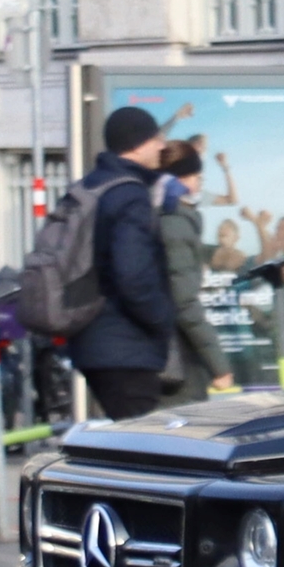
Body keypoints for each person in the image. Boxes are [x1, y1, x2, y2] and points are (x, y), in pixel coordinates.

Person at [69, 106, 179, 421]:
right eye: (155, 138)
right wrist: (162, 320)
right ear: (137, 143)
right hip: (125, 345)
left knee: (134, 444)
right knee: (149, 452)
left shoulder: (93, 185)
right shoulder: (130, 194)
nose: (161, 145)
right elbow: (133, 275)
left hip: (96, 339)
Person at [152, 141, 237, 407]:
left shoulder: (156, 215)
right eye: (197, 177)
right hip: (176, 361)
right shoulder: (173, 224)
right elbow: (184, 303)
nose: (200, 184)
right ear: (181, 179)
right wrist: (219, 366)